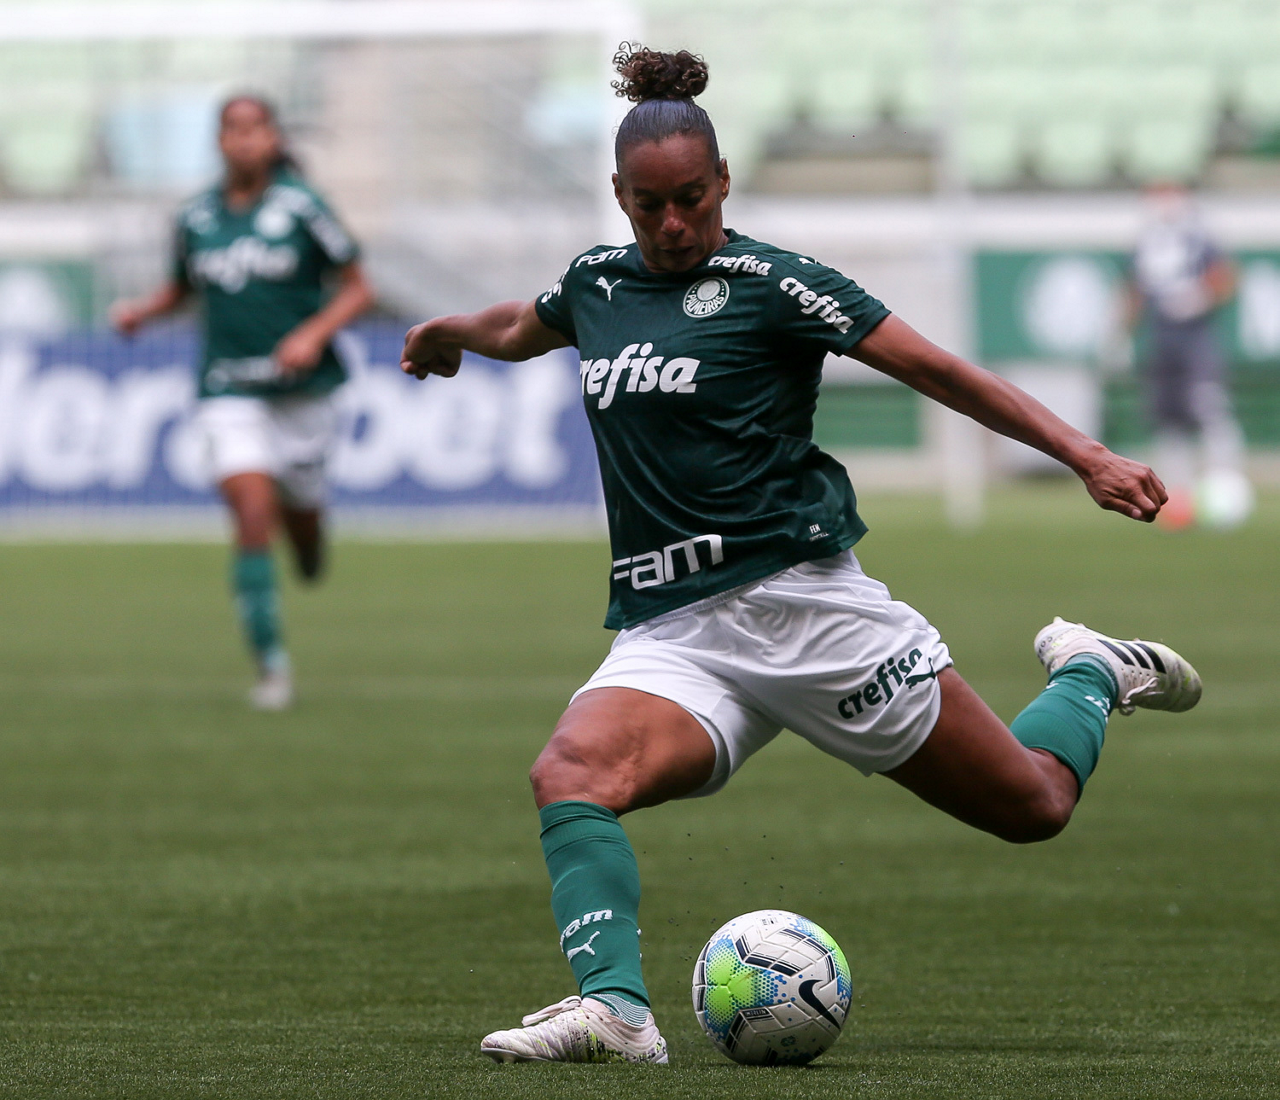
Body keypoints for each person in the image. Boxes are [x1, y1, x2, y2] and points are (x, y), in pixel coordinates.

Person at [401, 47, 1203, 1064]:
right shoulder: (596, 283)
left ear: (723, 182)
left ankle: (1088, 668)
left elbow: (939, 370)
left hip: (806, 609)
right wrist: (450, 331)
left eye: (690, 199)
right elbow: (524, 324)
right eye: (649, 205)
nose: (671, 223)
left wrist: (1085, 455)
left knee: (1034, 805)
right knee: (570, 771)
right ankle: (617, 1012)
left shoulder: (776, 284)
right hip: (674, 629)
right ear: (619, 195)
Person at [112, 95, 373, 710]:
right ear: (219, 140)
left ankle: (308, 540)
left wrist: (312, 334)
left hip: (301, 395)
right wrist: (142, 311)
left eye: (256, 128)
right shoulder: (196, 216)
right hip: (227, 387)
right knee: (252, 510)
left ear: (274, 138)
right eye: (234, 128)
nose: (245, 139)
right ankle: (271, 666)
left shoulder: (303, 207)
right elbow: (182, 287)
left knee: (302, 530)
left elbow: (359, 288)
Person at [1128, 183, 1250, 529]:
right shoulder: (1145, 243)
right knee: (1169, 421)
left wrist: (1200, 297)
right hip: (1161, 341)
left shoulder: (1199, 239)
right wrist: (1120, 333)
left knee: (1210, 410)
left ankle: (1227, 490)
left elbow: (1225, 278)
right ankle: (1175, 497)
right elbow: (1134, 290)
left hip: (1196, 341)